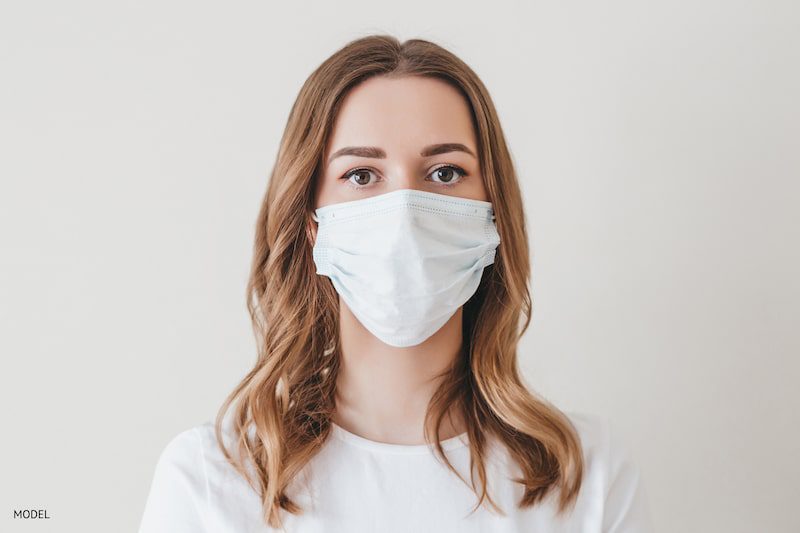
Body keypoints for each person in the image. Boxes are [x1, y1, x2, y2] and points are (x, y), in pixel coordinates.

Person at [138, 34, 654, 532]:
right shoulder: (212, 480)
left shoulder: (583, 474)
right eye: (362, 175)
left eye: (446, 173)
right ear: (313, 223)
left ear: (492, 215)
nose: (405, 214)